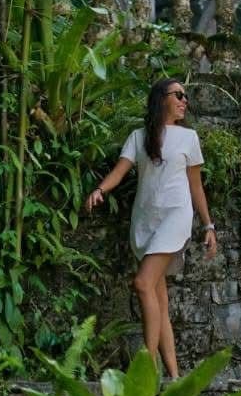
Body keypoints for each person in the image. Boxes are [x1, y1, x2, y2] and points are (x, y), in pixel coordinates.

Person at [85, 76, 216, 377]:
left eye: (186, 96)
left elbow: (196, 186)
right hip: (145, 221)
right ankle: (174, 376)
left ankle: (147, 368)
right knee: (159, 299)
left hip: (175, 216)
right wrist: (100, 191)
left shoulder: (189, 137)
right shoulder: (139, 136)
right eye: (178, 95)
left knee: (142, 284)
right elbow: (120, 171)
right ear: (161, 99)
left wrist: (208, 225)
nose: (185, 101)